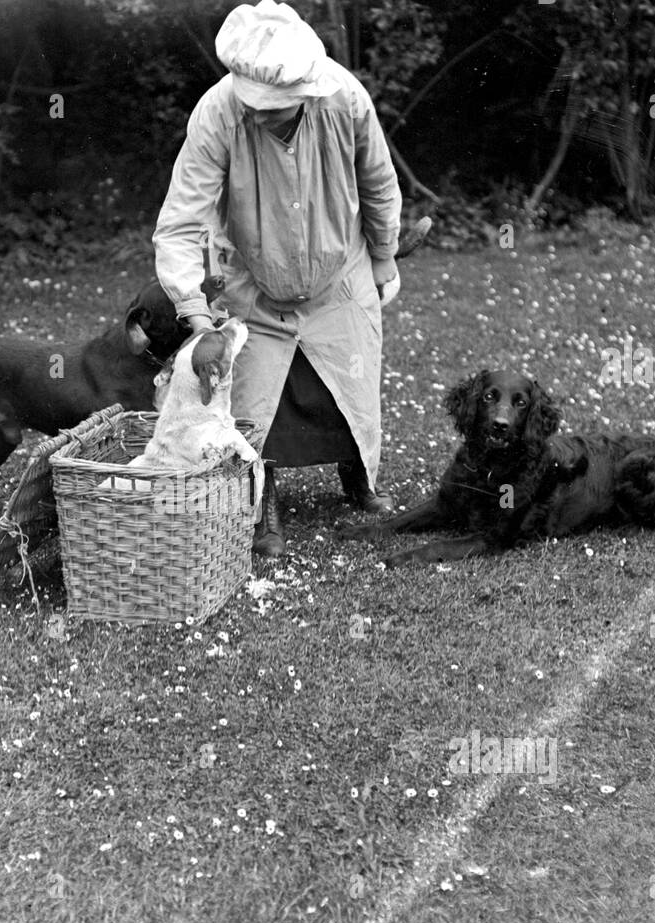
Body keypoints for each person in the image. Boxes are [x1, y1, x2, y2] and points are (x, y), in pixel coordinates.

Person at [153, 0, 403, 557]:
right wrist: (191, 305)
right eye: (258, 107)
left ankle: (357, 475)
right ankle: (263, 503)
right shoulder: (216, 115)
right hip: (253, 284)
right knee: (256, 401)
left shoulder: (346, 98)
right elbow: (179, 222)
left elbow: (379, 183)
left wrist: (384, 255)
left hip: (340, 276)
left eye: (278, 108)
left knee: (350, 386)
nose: (265, 115)